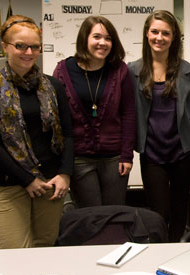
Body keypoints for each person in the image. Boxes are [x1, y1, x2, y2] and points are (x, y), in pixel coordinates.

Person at [0, 15, 74, 248]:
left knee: (44, 248)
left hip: (50, 182)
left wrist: (65, 174)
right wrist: (27, 180)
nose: (28, 52)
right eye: (20, 46)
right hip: (7, 184)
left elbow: (67, 133)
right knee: (12, 252)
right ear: (5, 47)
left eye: (34, 46)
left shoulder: (53, 86)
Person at [129, 10, 190, 242]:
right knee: (159, 210)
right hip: (152, 152)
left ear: (174, 38)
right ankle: (160, 249)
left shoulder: (187, 70)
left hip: (183, 152)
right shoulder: (132, 71)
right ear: (147, 34)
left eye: (165, 33)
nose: (159, 37)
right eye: (154, 31)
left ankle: (175, 249)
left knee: (180, 206)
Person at [53, 16, 135, 207]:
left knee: (115, 212)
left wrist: (126, 155)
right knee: (90, 215)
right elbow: (58, 118)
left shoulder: (120, 70)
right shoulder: (64, 69)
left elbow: (129, 114)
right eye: (96, 36)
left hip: (115, 159)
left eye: (108, 38)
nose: (103, 43)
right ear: (85, 38)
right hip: (79, 158)